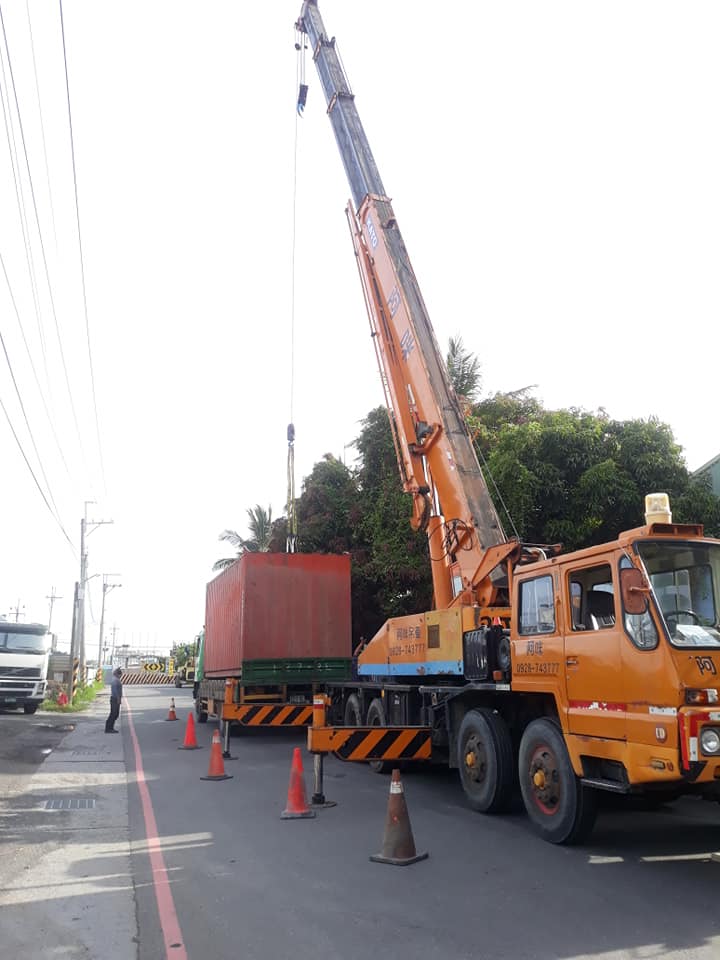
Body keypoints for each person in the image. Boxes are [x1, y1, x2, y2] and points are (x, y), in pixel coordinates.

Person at [105, 667, 123, 733]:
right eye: (120, 674)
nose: (121, 676)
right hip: (115, 699)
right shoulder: (116, 680)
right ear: (118, 674)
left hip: (115, 699)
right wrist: (118, 699)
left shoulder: (115, 679)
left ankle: (110, 728)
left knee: (115, 714)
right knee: (113, 714)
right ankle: (109, 728)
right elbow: (115, 691)